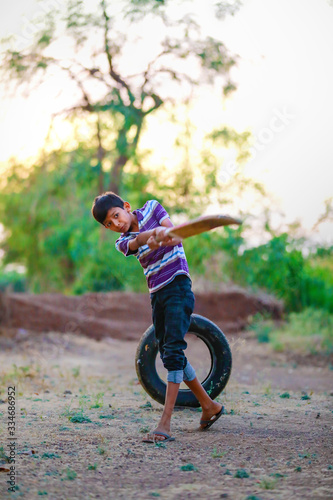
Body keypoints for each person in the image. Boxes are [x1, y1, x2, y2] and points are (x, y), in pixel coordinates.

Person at [91, 192, 223, 443]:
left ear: (126, 207)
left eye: (116, 216)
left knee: (172, 352)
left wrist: (163, 235)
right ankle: (209, 406)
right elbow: (134, 242)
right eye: (109, 224)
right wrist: (148, 238)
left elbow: (175, 236)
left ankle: (165, 424)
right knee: (169, 352)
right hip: (157, 294)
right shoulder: (122, 242)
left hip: (177, 286)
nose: (115, 224)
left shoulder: (153, 208)